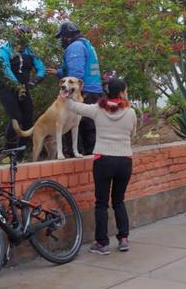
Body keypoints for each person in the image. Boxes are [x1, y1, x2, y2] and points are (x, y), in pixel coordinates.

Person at [60, 78, 137, 254]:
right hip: (124, 160)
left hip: (103, 160)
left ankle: (102, 244)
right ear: (121, 92)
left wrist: (66, 91)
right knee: (119, 200)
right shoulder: (131, 112)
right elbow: (132, 132)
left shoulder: (97, 109)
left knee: (101, 203)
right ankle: (123, 238)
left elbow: (73, 106)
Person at [46, 20, 103, 156]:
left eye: (62, 37)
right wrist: (58, 72)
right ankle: (93, 157)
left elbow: (76, 74)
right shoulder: (86, 44)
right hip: (94, 91)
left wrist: (67, 92)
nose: (61, 41)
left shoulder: (75, 47)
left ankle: (74, 155)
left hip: (83, 91)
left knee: (72, 124)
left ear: (67, 36)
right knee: (90, 126)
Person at [0, 25, 46, 159]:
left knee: (28, 119)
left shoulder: (30, 51)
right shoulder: (5, 49)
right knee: (16, 118)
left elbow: (41, 68)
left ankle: (20, 154)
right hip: (6, 87)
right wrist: (16, 84)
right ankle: (8, 151)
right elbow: (4, 69)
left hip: (23, 88)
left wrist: (36, 80)